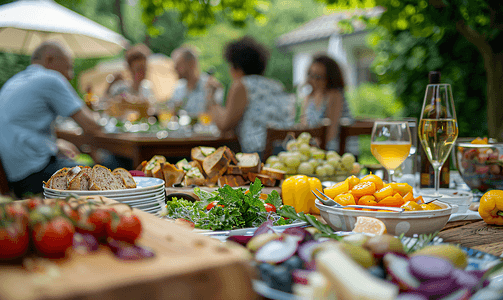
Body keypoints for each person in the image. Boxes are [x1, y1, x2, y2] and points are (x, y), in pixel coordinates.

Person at [0, 41, 103, 198]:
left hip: (13, 176)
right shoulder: (50, 78)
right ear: (49, 60)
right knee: (109, 167)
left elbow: (20, 127)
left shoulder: (14, 81)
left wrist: (54, 144)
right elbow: (92, 125)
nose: (71, 75)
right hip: (35, 175)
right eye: (69, 67)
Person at [206, 36, 295, 155]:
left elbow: (224, 125)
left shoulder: (242, 85)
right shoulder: (276, 85)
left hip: (259, 153)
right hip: (286, 151)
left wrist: (211, 98)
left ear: (236, 66)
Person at [300, 54, 356, 153]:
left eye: (319, 77)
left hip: (338, 151)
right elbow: (304, 128)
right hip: (317, 148)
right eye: (311, 75)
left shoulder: (334, 95)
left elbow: (331, 133)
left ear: (330, 78)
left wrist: (312, 148)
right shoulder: (309, 97)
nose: (314, 80)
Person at [169, 46, 223, 117]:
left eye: (179, 65)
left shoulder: (212, 87)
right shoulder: (178, 88)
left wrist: (211, 97)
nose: (174, 68)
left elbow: (216, 116)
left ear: (192, 64)